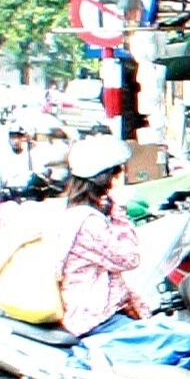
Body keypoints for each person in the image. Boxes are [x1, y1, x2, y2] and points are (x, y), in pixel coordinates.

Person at [59, 137, 145, 337]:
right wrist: (119, 211)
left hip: (101, 312)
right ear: (104, 178)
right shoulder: (87, 222)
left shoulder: (76, 213)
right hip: (95, 319)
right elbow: (129, 258)